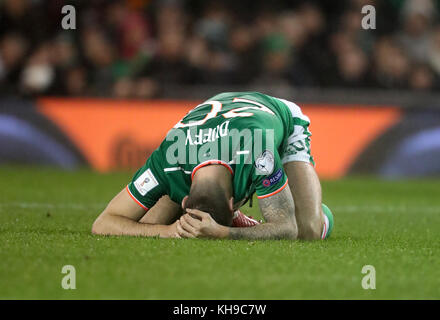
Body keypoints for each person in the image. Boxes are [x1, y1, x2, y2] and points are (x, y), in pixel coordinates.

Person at [92, 92, 334, 240]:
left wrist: (224, 233)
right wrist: (168, 231)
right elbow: (104, 223)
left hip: (277, 114)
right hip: (222, 124)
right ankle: (235, 218)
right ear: (183, 199)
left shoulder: (260, 150)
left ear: (185, 201)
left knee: (307, 231)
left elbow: (287, 228)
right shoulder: (169, 157)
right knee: (148, 227)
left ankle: (317, 211)